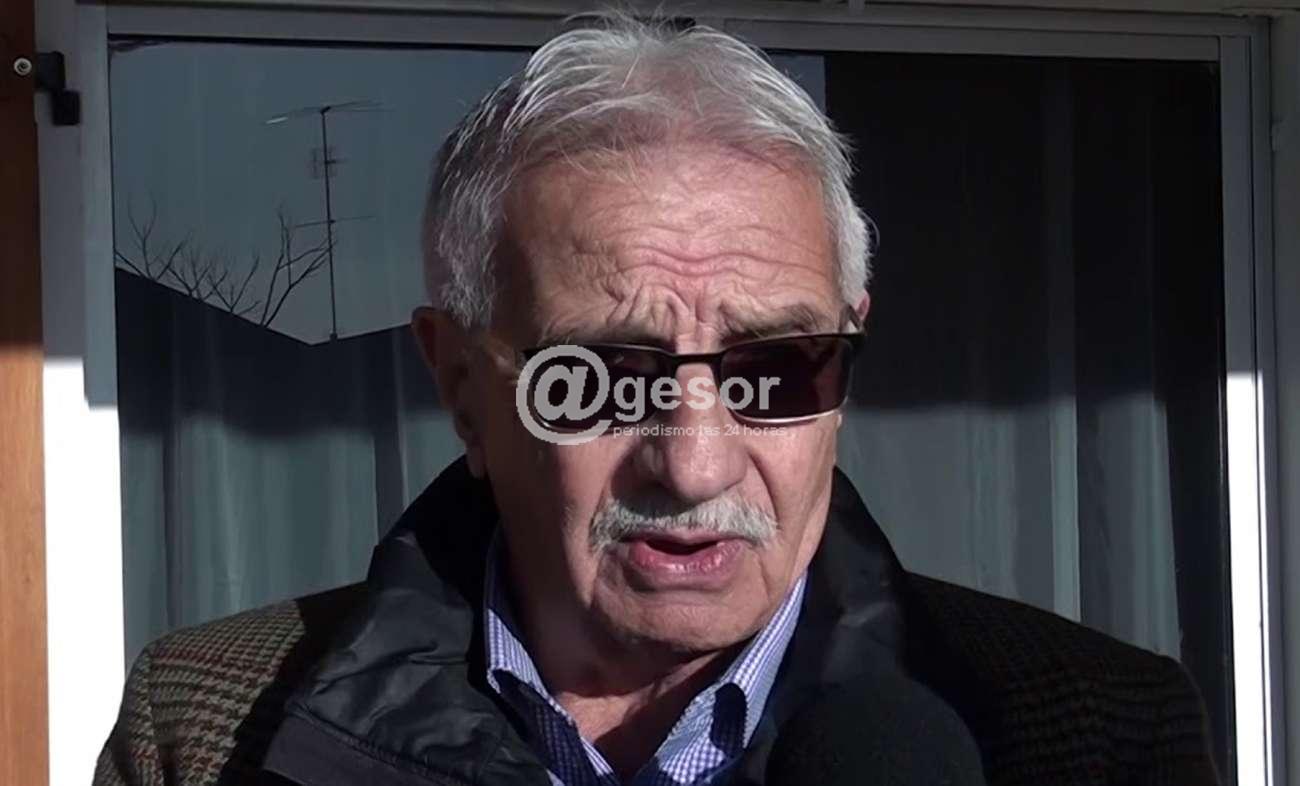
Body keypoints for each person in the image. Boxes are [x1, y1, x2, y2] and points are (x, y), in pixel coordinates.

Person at [96, 15, 1219, 786]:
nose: (694, 463)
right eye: (603, 377)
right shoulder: (204, 732)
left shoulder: (1095, 736)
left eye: (778, 366)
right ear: (462, 387)